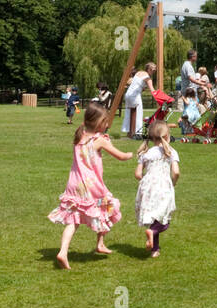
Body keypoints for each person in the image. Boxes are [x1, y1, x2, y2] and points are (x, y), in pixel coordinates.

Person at [49, 101, 132, 270]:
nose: (107, 124)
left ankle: (63, 251)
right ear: (98, 123)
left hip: (74, 185)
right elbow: (121, 156)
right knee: (109, 206)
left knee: (73, 219)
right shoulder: (100, 140)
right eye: (105, 121)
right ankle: (100, 242)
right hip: (90, 186)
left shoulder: (79, 135)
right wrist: (132, 154)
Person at [134, 120, 180, 258]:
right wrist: (174, 182)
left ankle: (155, 249)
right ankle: (152, 233)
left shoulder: (145, 153)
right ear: (167, 136)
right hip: (163, 186)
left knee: (155, 218)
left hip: (147, 186)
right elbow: (176, 172)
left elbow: (137, 174)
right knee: (163, 220)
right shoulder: (170, 152)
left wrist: (146, 180)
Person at [122, 62, 157, 136]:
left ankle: (129, 132)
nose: (153, 72)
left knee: (129, 113)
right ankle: (137, 132)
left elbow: (137, 84)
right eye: (153, 70)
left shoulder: (139, 72)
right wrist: (159, 97)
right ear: (149, 69)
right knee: (138, 113)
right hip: (135, 96)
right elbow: (152, 90)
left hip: (128, 94)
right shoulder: (148, 78)